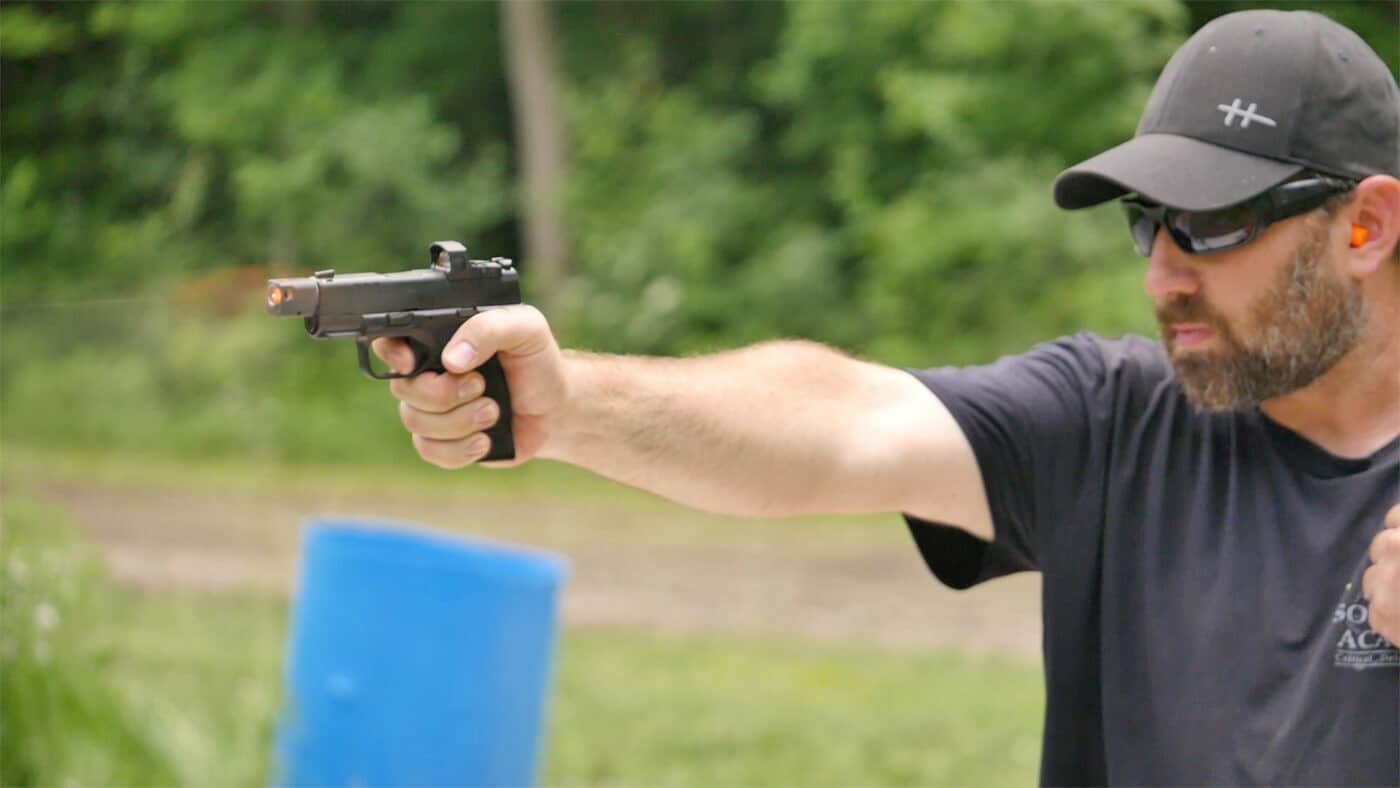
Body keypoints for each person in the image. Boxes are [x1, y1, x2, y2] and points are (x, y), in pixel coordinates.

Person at [375, 10, 1400, 785]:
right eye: (1148, 222)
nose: (1162, 273)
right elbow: (839, 419)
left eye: (1210, 225)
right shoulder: (1111, 421)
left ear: (1362, 228)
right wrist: (570, 404)